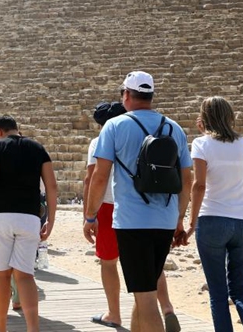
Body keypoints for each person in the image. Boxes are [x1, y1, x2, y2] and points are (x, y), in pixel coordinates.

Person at [84, 71, 192, 332]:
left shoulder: (115, 126)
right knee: (144, 289)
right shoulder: (173, 127)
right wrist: (179, 219)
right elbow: (187, 180)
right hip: (165, 221)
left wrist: (90, 216)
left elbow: (99, 178)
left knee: (145, 298)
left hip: (132, 222)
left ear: (126, 96)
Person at [185, 96, 243, 332]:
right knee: (240, 290)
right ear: (230, 116)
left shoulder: (201, 144)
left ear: (204, 118)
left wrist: (191, 222)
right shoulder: (242, 142)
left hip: (212, 220)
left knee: (218, 294)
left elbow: (199, 185)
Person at [0, 114, 58, 332]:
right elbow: (51, 186)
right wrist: (51, 219)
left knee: (1, 275)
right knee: (25, 276)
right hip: (29, 218)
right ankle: (33, 328)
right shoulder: (38, 148)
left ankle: (0, 328)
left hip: (1, 217)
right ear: (16, 128)